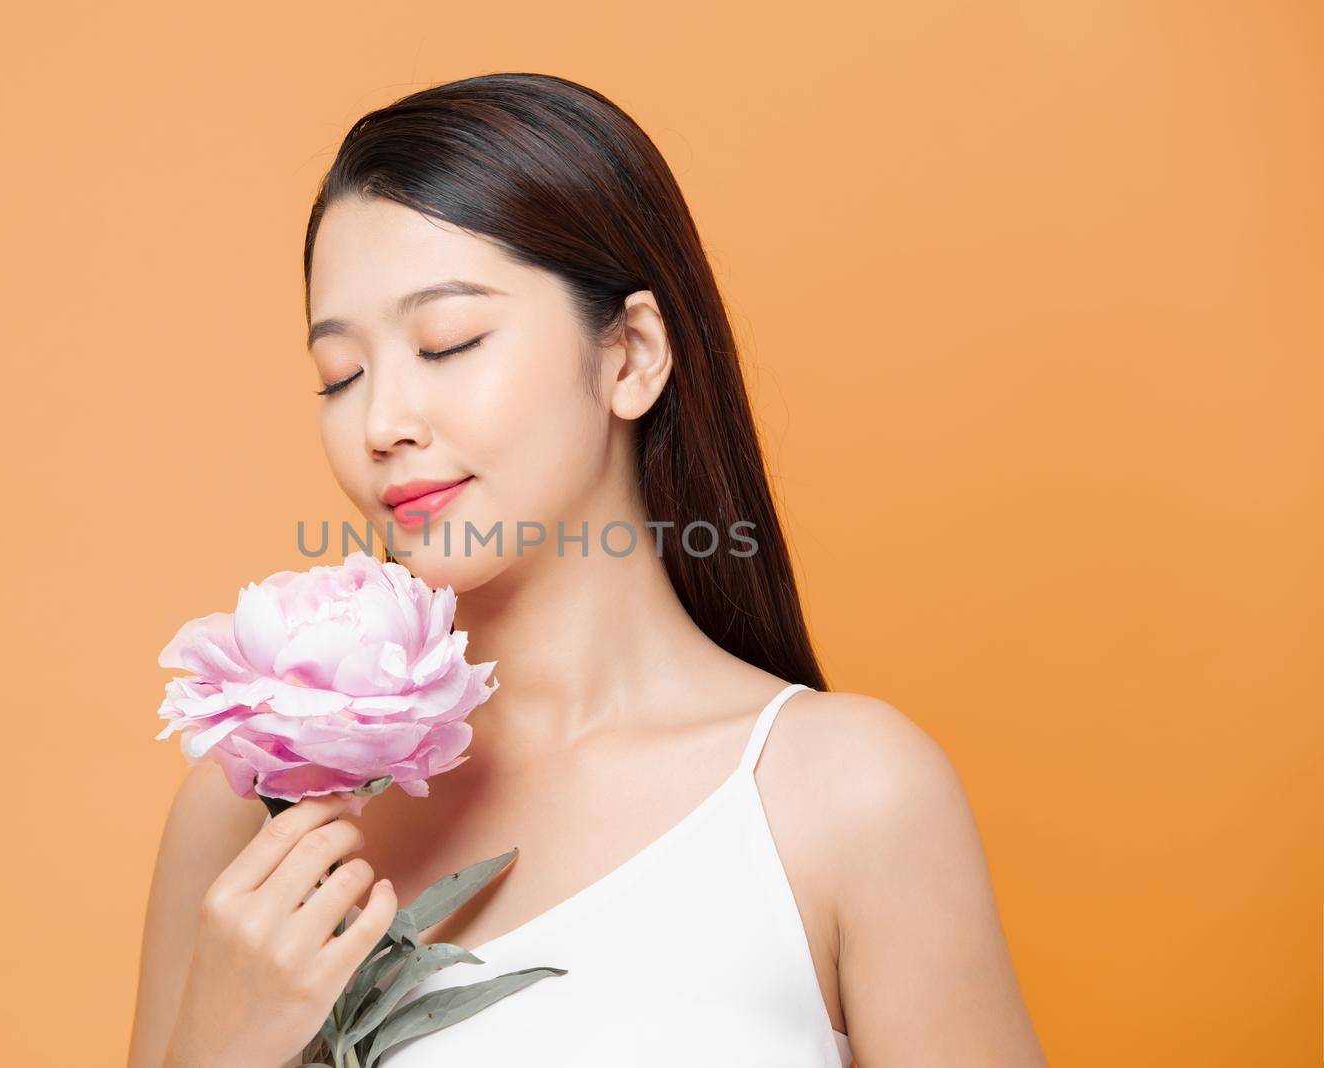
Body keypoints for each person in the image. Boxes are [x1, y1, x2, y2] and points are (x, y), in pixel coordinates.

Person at [128, 72, 1048, 1068]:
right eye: (340, 374)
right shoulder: (253, 812)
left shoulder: (848, 796)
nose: (381, 422)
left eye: (448, 342)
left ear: (631, 356)